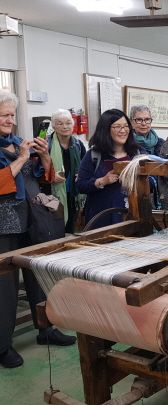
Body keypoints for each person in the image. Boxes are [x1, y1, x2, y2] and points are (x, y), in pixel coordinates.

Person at [0, 90, 75, 369]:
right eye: (4, 115)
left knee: (37, 275)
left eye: (11, 114)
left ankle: (46, 328)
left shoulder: (16, 142)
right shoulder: (16, 148)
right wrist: (21, 158)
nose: (10, 120)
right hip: (4, 226)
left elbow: (42, 178)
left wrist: (42, 158)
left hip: (31, 218)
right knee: (5, 286)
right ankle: (2, 345)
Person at [76, 109, 140, 229]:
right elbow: (80, 185)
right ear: (106, 129)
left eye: (126, 126)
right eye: (117, 127)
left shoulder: (137, 153)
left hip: (131, 216)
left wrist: (136, 178)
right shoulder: (94, 155)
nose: (123, 130)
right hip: (100, 218)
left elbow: (152, 181)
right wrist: (102, 181)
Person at [47, 109, 86, 233]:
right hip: (53, 195)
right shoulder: (46, 144)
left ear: (73, 124)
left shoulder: (79, 144)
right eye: (59, 123)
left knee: (73, 228)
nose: (65, 126)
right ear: (53, 126)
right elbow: (37, 170)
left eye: (68, 123)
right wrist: (51, 176)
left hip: (74, 194)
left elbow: (85, 168)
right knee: (56, 227)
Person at [130, 105, 163, 208]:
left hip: (161, 195)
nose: (144, 123)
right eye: (139, 120)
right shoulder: (127, 144)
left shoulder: (161, 142)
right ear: (132, 122)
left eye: (147, 119)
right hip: (135, 196)